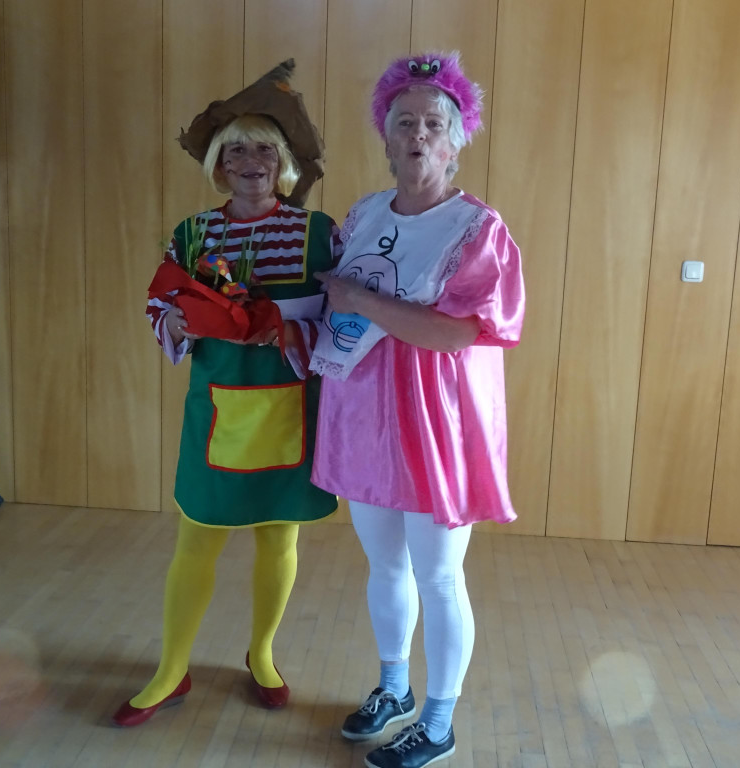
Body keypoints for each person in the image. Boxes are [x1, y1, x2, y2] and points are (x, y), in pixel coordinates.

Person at [309, 52, 525, 768]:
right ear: (385, 135)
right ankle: (395, 687)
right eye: (405, 121)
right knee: (384, 565)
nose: (419, 134)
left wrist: (360, 299)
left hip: (437, 424)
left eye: (434, 123)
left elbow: (456, 334)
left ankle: (437, 722)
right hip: (363, 412)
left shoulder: (478, 229)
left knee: (438, 575)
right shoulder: (364, 214)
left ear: (457, 141)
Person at [112, 60, 339, 728]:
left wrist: (291, 329)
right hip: (214, 407)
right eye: (235, 151)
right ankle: (171, 669)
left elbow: (346, 317)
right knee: (196, 540)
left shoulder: (319, 233)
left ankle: (262, 653)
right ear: (218, 164)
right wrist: (174, 323)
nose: (250, 162)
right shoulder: (192, 234)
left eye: (264, 149)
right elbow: (160, 303)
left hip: (291, 405)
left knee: (279, 540)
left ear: (282, 163)